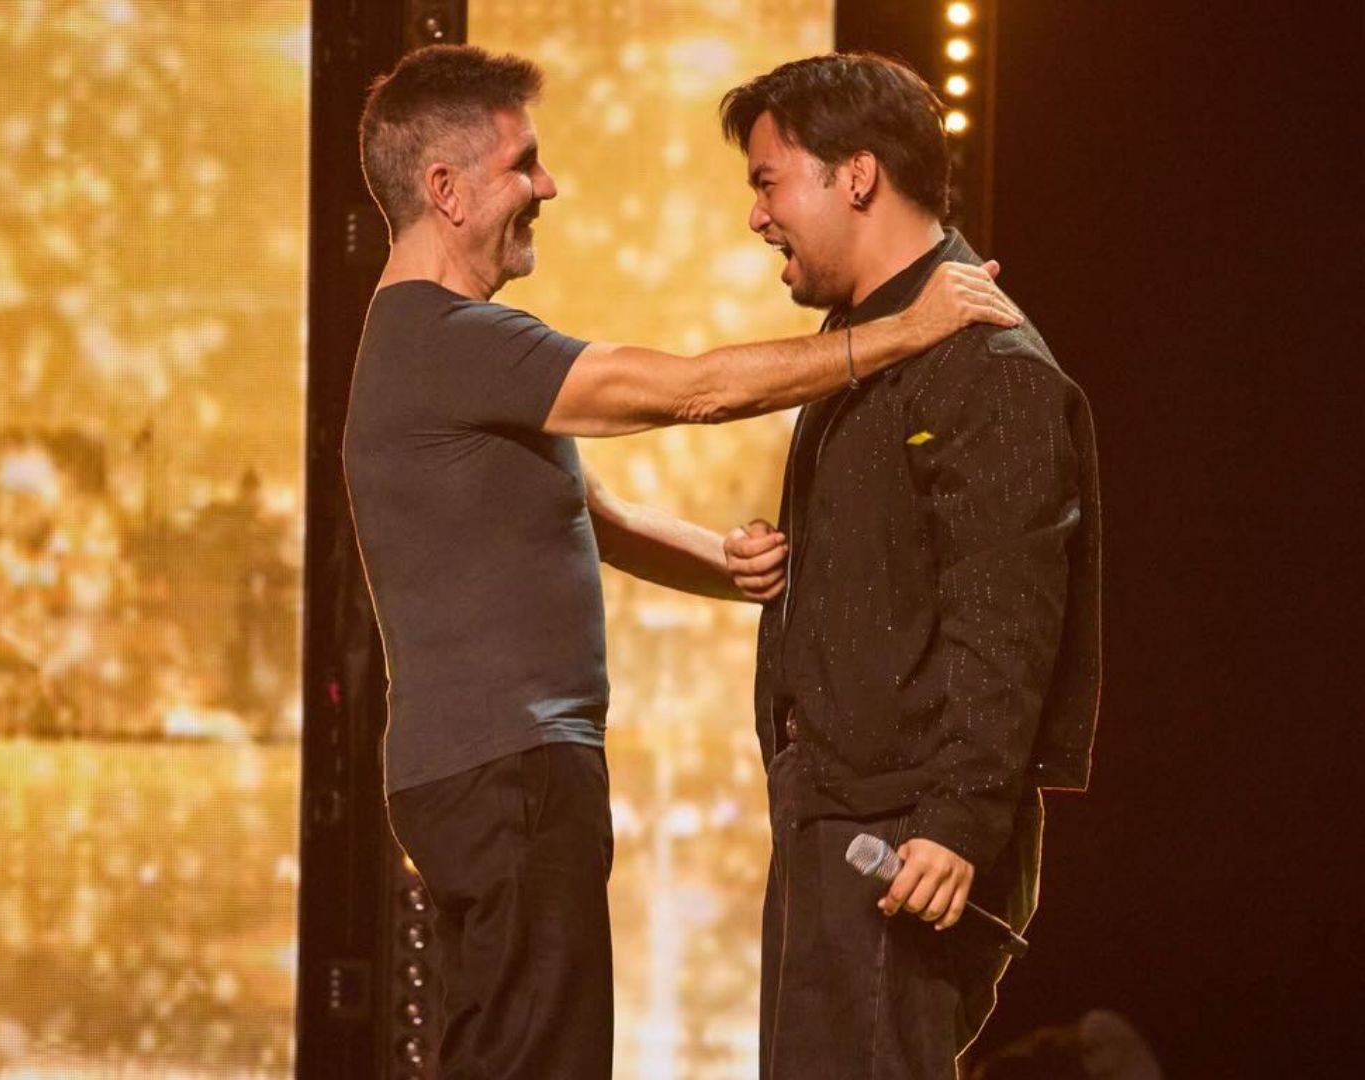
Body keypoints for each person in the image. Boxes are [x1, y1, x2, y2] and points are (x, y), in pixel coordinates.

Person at [343, 44, 1019, 1080]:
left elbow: (595, 516)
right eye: (523, 163)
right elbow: (691, 390)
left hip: (497, 773)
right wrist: (902, 331)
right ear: (446, 189)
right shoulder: (445, 338)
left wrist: (736, 568)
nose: (547, 186)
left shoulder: (440, 350)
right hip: (509, 771)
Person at [717, 52, 1104, 1079]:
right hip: (841, 816)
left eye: (768, 181)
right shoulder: (872, 343)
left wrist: (957, 822)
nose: (757, 216)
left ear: (857, 175)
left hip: (902, 842)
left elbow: (1009, 615)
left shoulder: (987, 362)